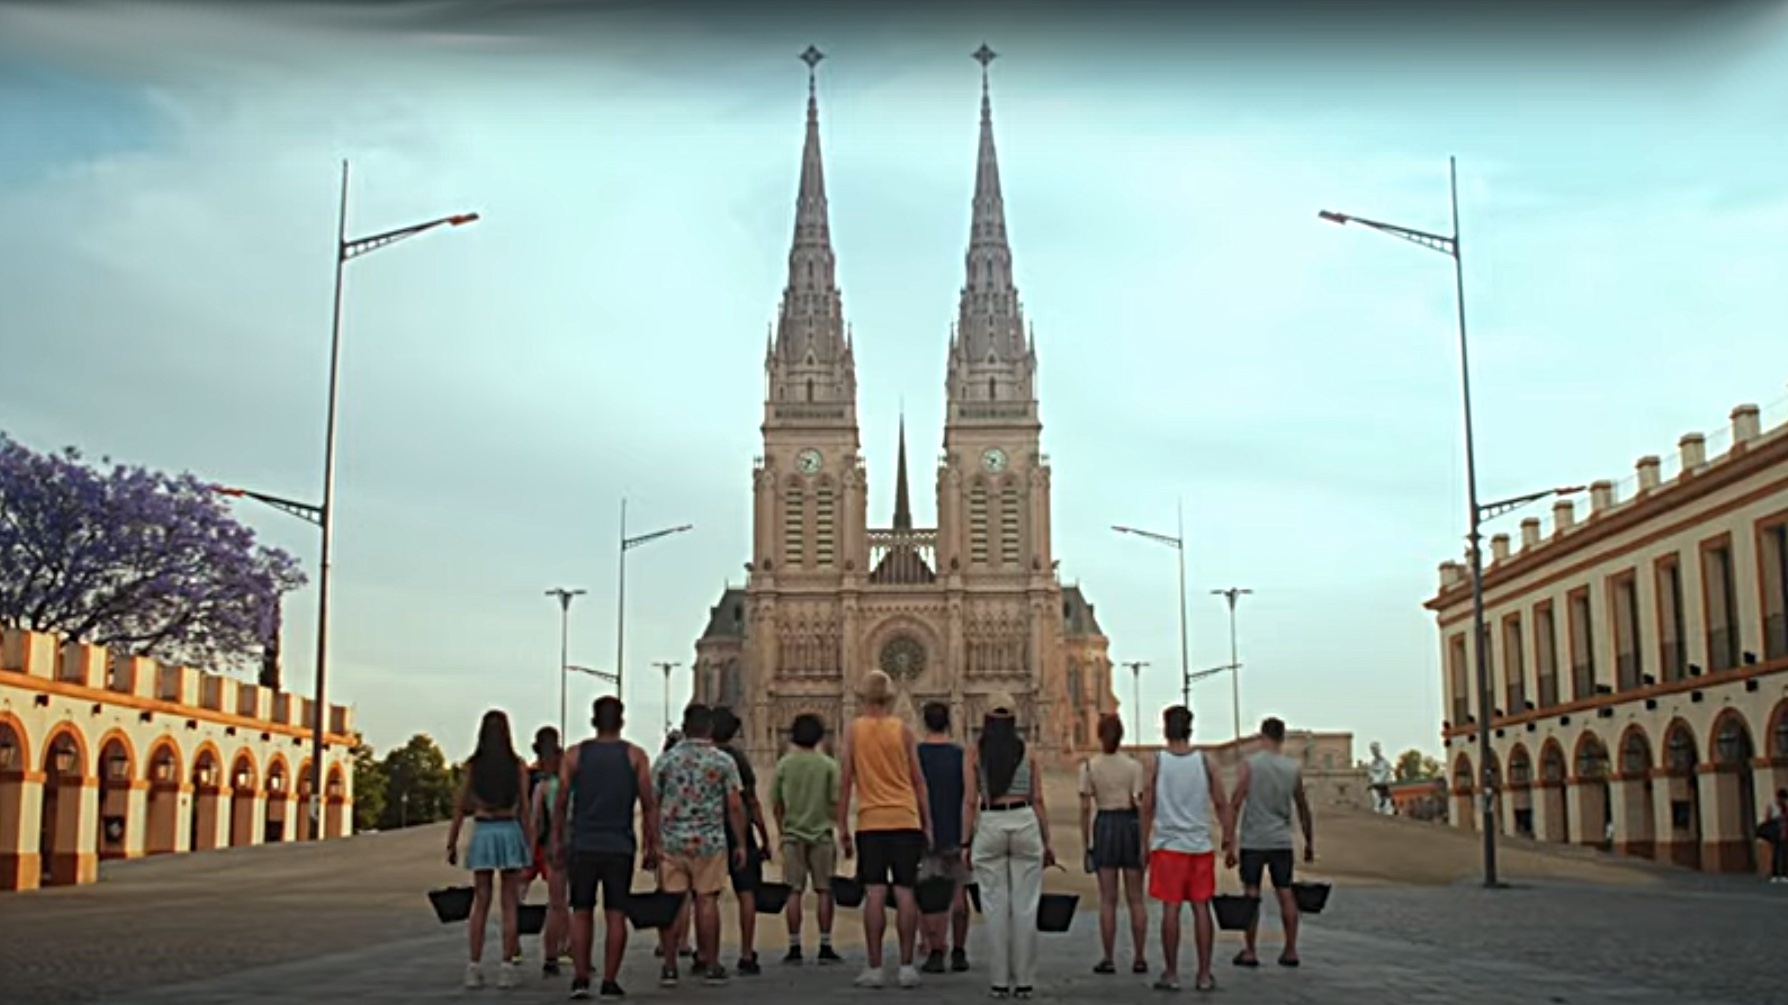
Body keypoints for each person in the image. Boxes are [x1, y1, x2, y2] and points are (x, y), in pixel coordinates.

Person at [552, 697, 660, 1000]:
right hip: (619, 845)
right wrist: (652, 843)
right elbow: (648, 804)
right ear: (622, 721)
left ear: (593, 720)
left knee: (581, 911)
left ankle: (581, 977)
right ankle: (610, 980)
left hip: (583, 844)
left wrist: (557, 840)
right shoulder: (635, 756)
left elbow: (560, 802)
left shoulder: (575, 755)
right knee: (616, 913)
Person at [836, 669, 932, 989]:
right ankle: (906, 967)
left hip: (871, 821)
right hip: (906, 819)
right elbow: (919, 781)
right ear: (890, 699)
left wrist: (842, 827)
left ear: (863, 698)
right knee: (906, 892)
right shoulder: (903, 730)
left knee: (874, 892)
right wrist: (927, 823)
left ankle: (875, 967)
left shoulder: (854, 731)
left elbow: (846, 779)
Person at [962, 691, 1054, 1000]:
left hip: (991, 822)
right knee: (1025, 907)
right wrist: (1047, 839)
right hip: (1024, 820)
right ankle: (1025, 982)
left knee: (994, 907)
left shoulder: (975, 753)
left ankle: (999, 982)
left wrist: (965, 842)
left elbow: (970, 802)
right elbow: (1038, 798)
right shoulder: (1029, 751)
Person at [1140, 705, 1234, 993]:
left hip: (1168, 846)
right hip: (1199, 845)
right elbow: (1221, 802)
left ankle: (1171, 972)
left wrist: (1143, 842)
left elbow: (1147, 805)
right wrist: (1230, 837)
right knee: (1201, 908)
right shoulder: (1206, 761)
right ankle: (1204, 974)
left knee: (1171, 909)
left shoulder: (1156, 761)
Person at [653, 703, 747, 987]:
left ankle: (669, 967)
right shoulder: (722, 761)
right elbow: (734, 805)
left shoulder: (666, 761)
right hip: (710, 842)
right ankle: (711, 963)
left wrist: (651, 841)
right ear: (709, 729)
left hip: (672, 841)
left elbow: (651, 803)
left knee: (670, 903)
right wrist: (740, 842)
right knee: (707, 901)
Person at [446, 710, 535, 990]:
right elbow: (524, 807)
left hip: (483, 832)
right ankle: (507, 967)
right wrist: (530, 843)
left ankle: (474, 966)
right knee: (510, 903)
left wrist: (452, 840)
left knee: (480, 902)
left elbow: (461, 805)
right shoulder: (517, 765)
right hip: (509, 831)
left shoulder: (475, 766)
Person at [1226, 717, 1314, 969]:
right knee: (1285, 892)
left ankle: (1250, 950)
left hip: (1254, 839)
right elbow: (1302, 806)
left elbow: (1236, 802)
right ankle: (1290, 949)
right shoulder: (1292, 768)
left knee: (1251, 893)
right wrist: (1309, 842)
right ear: (1282, 737)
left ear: (1262, 736)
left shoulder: (1250, 765)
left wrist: (1229, 841)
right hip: (1281, 839)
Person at [771, 712, 843, 965]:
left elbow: (776, 803)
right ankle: (825, 945)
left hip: (792, 835)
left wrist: (783, 829)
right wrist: (834, 825)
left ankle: (794, 946)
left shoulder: (784, 764)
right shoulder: (829, 766)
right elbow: (836, 802)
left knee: (793, 891)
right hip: (822, 834)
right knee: (824, 890)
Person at [1079, 713, 1148, 976]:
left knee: (1107, 899)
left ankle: (1108, 957)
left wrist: (1087, 844)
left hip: (1105, 824)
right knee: (1136, 899)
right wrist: (1144, 841)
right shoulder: (1134, 767)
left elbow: (1085, 808)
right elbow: (1139, 805)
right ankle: (1140, 957)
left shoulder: (1089, 766)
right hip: (1129, 824)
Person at [712, 707, 774, 975]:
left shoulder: (703, 757)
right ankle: (747, 953)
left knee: (706, 896)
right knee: (747, 893)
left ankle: (706, 955)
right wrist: (764, 836)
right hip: (739, 832)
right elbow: (750, 801)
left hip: (709, 832)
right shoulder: (737, 758)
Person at [916, 700, 971, 974]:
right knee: (959, 891)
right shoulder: (961, 755)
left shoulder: (915, 755)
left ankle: (935, 949)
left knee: (929, 894)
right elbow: (970, 796)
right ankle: (959, 951)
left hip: (926, 832)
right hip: (955, 830)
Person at [526, 726, 571, 978]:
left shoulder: (542, 786)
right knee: (578, 905)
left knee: (556, 904)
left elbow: (536, 823)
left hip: (553, 847)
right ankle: (574, 948)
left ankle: (550, 956)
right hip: (578, 843)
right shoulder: (575, 782)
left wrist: (530, 851)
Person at [1761, 788, 1788, 883]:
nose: (1781, 801)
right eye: (1780, 798)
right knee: (1776, 853)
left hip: (1784, 831)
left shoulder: (1785, 806)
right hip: (1775, 831)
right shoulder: (1772, 806)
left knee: (1784, 853)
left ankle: (1784, 874)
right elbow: (1767, 818)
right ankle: (1775, 874)